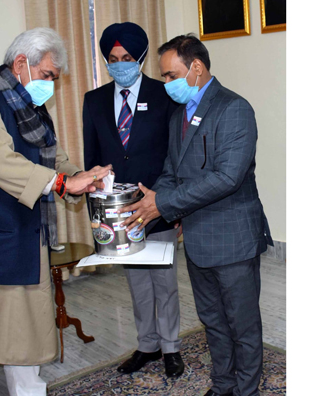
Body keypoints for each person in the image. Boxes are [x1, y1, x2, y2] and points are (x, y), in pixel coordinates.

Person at [0, 27, 112, 396]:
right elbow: (3, 163)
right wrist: (63, 184)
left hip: (23, 247)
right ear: (20, 64)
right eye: (47, 76)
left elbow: (54, 156)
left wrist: (82, 176)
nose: (50, 84)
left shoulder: (33, 110)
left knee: (26, 351)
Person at [120, 34, 273, 396]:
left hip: (233, 238)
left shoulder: (234, 108)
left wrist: (166, 204)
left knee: (243, 326)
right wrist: (151, 200)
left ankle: (247, 390)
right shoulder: (178, 117)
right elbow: (173, 171)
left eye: (171, 75)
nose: (166, 84)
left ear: (197, 68)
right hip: (198, 237)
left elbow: (227, 176)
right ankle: (223, 386)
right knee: (214, 323)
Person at [82, 22, 185, 378]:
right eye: (112, 58)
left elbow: (177, 153)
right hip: (117, 211)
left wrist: (174, 205)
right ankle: (147, 345)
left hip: (157, 204)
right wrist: (97, 210)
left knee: (164, 281)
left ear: (140, 57)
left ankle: (171, 347)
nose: (119, 64)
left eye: (126, 58)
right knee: (138, 282)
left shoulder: (166, 93)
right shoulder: (93, 101)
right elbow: (90, 161)